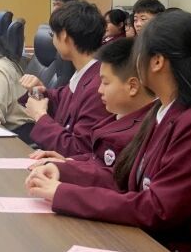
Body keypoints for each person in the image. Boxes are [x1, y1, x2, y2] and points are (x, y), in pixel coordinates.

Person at [24, 10, 191, 252]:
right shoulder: (164, 111)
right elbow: (124, 177)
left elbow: (157, 208)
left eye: (138, 52)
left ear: (157, 61)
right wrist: (65, 172)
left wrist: (63, 194)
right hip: (155, 248)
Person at [30, 37, 154, 170]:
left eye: (105, 83)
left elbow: (111, 176)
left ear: (132, 86)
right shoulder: (82, 77)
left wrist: (67, 169)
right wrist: (70, 162)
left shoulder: (148, 129)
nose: (99, 90)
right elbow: (97, 160)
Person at [19, 0, 109, 157]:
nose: (52, 40)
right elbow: (60, 101)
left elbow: (78, 150)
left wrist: (40, 116)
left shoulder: (98, 87)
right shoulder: (84, 74)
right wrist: (39, 91)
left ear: (64, 36)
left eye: (53, 34)